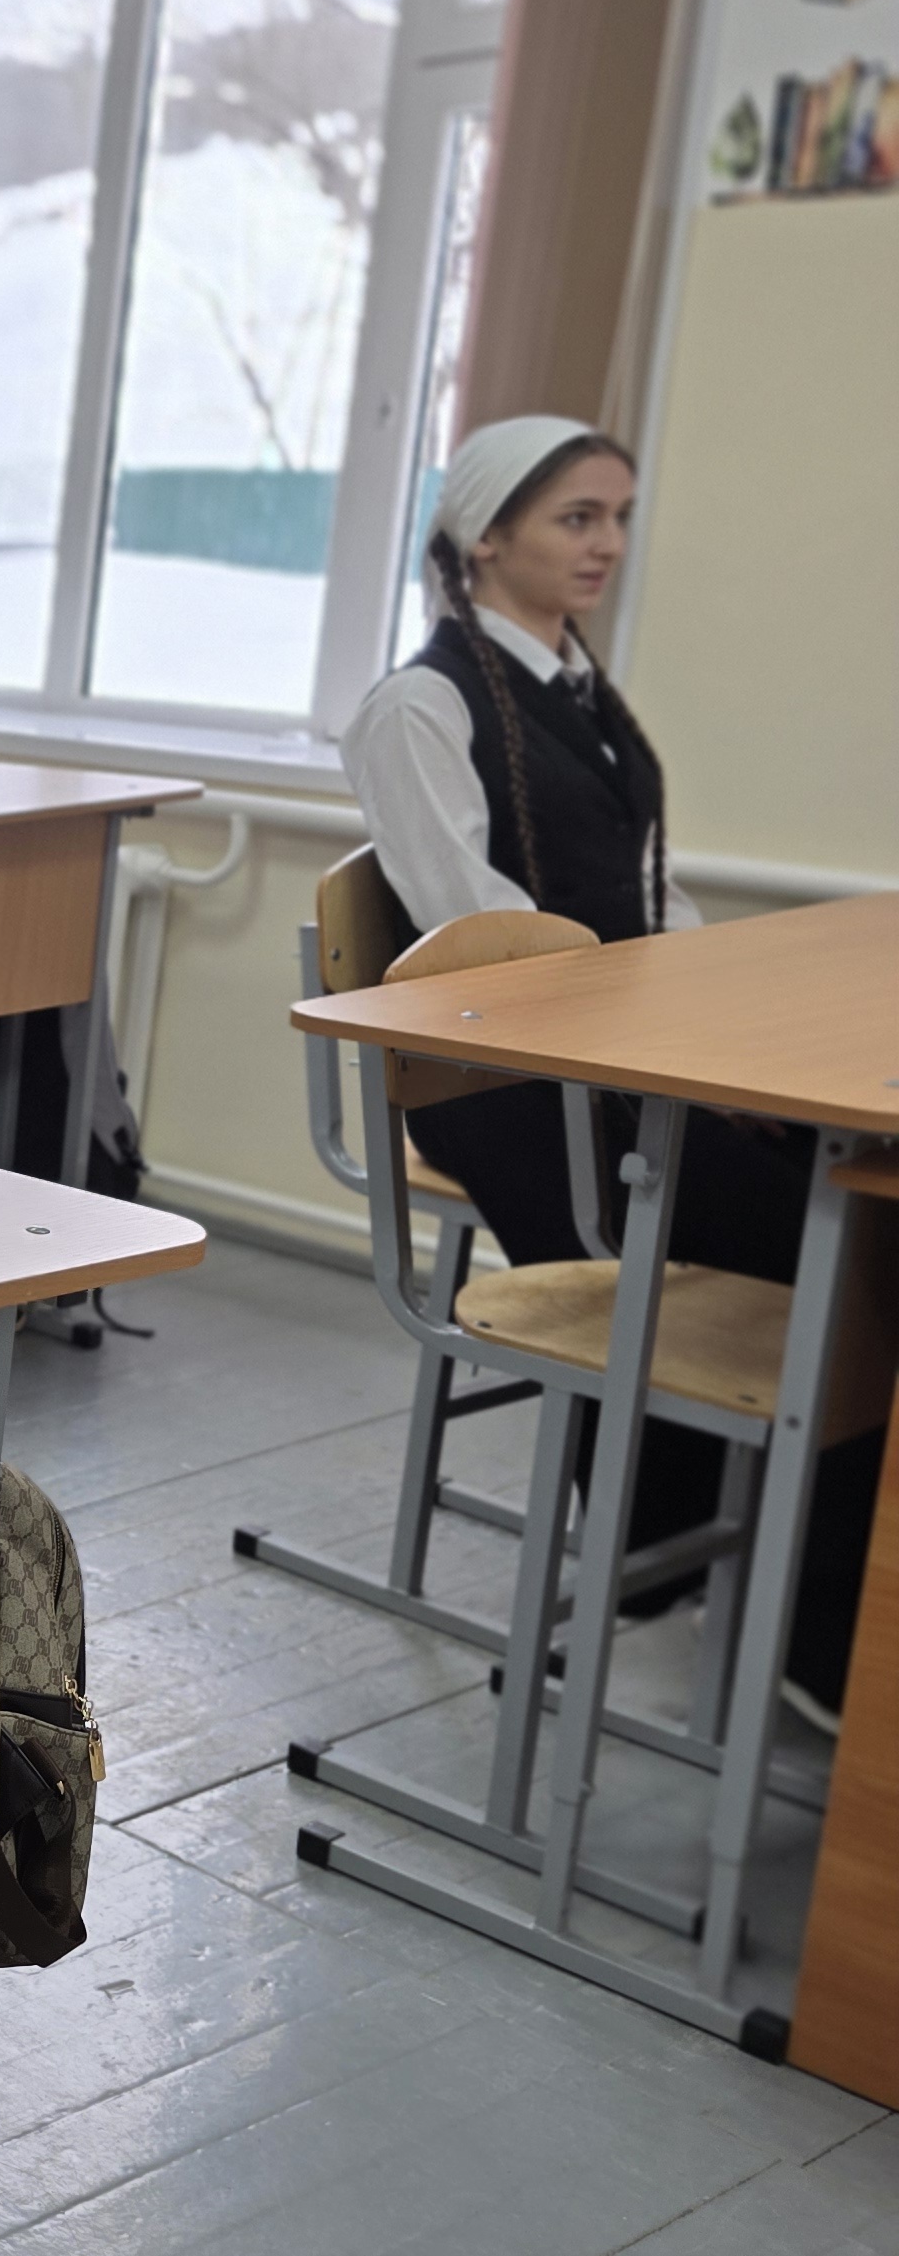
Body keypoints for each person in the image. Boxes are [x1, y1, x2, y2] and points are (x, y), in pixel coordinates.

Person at [340, 413, 870, 1729]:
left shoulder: (580, 691)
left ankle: (764, 1576)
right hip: (514, 1089)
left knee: (851, 1208)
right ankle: (785, 1622)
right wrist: (684, 1055)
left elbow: (646, 898)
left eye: (619, 517)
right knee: (834, 1250)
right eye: (578, 517)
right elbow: (484, 941)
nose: (608, 544)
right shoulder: (421, 705)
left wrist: (725, 1029)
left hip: (623, 1064)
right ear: (485, 536)